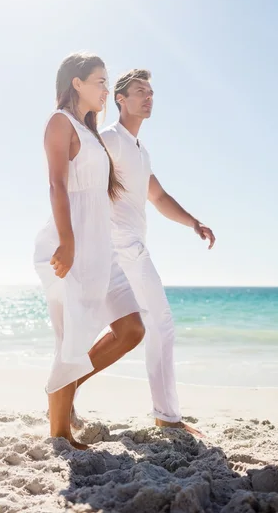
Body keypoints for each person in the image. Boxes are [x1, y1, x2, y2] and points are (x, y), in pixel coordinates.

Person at [34, 54, 145, 450]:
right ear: (76, 83)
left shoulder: (89, 130)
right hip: (74, 241)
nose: (104, 90)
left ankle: (61, 390)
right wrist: (67, 241)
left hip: (103, 246)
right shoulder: (59, 122)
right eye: (99, 82)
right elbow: (57, 186)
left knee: (131, 328)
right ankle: (59, 432)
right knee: (73, 336)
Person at [100, 69, 216, 437]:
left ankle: (68, 387)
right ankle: (166, 415)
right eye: (140, 91)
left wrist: (193, 222)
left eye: (151, 92)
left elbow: (159, 197)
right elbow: (80, 179)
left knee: (130, 326)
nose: (149, 97)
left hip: (132, 245)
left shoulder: (139, 151)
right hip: (120, 245)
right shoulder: (109, 139)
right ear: (121, 98)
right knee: (160, 322)